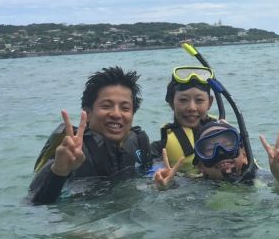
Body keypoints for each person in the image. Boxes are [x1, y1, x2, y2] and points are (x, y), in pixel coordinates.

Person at [28, 66, 152, 205]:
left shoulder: (139, 142)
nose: (117, 114)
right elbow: (34, 205)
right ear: (87, 114)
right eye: (106, 106)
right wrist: (59, 172)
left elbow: (150, 177)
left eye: (125, 108)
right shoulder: (68, 153)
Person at [150, 65, 219, 171]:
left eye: (199, 100)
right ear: (171, 102)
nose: (191, 108)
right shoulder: (159, 149)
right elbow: (153, 175)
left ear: (210, 102)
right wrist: (161, 179)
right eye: (183, 100)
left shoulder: (226, 137)